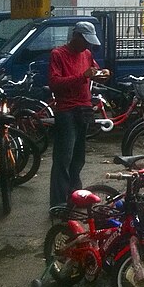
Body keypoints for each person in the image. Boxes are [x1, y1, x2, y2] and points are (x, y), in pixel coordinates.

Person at [48, 21, 111, 209]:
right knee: (63, 158)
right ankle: (58, 203)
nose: (88, 46)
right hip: (66, 109)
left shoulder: (87, 54)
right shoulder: (58, 54)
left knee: (78, 157)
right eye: (85, 41)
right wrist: (83, 76)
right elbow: (54, 83)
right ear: (76, 37)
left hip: (84, 107)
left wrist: (102, 74)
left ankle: (75, 195)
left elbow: (93, 72)